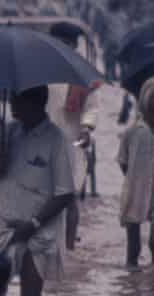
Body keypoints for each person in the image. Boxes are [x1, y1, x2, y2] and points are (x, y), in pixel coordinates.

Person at [0, 85, 74, 296]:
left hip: (38, 231)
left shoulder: (56, 139)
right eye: (12, 98)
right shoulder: (7, 133)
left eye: (18, 99)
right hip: (5, 224)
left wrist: (33, 224)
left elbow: (65, 193)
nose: (13, 103)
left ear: (36, 103)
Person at [46, 21, 100, 250]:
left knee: (70, 198)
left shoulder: (82, 73)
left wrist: (87, 127)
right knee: (42, 197)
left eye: (71, 44)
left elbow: (92, 106)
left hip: (71, 141)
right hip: (42, 139)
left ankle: (69, 247)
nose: (68, 48)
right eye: (63, 43)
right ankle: (48, 244)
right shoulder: (40, 68)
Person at [117, 77, 154, 271]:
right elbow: (123, 159)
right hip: (137, 183)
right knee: (133, 226)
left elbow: (122, 160)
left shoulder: (133, 130)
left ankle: (133, 266)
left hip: (136, 184)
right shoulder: (136, 131)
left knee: (134, 225)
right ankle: (133, 265)